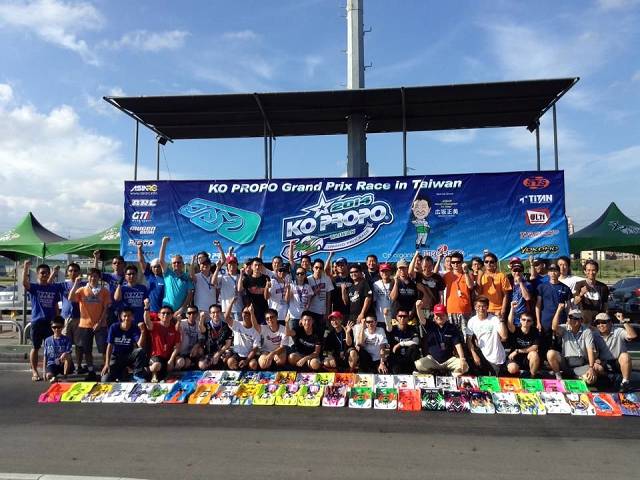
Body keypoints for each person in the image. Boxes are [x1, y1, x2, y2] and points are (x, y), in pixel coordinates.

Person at [23, 260, 63, 381]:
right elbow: (24, 283)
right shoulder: (34, 287)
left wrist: (58, 319)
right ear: (37, 274)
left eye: (46, 273)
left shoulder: (53, 288)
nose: (44, 275)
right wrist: (25, 267)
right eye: (42, 273)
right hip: (37, 322)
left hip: (50, 323)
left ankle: (49, 371)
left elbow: (55, 305)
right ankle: (34, 371)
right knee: (35, 347)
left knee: (51, 348)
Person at [69, 267, 111, 380]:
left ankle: (105, 369)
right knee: (87, 350)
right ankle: (91, 371)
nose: (93, 278)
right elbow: (71, 297)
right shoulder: (82, 290)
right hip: (85, 324)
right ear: (88, 277)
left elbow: (105, 308)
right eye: (91, 276)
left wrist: (99, 322)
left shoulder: (104, 291)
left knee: (103, 348)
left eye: (95, 276)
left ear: (99, 278)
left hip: (100, 325)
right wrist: (75, 284)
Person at [414, 303, 468, 377]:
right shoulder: (430, 325)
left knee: (465, 367)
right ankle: (433, 372)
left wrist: (462, 358)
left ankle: (449, 375)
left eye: (442, 315)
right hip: (433, 360)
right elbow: (422, 319)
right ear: (434, 316)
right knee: (419, 364)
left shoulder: (452, 328)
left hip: (448, 360)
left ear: (446, 315)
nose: (439, 317)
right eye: (437, 315)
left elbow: (457, 344)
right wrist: (418, 307)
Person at [547, 306, 597, 384]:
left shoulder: (587, 331)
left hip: (581, 364)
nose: (573, 320)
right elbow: (554, 327)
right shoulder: (564, 328)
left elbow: (590, 349)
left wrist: (591, 367)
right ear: (568, 319)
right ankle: (559, 376)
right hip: (566, 363)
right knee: (550, 353)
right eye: (571, 317)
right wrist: (558, 310)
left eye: (576, 318)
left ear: (581, 320)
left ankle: (576, 376)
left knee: (591, 380)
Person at [592, 312, 637, 392]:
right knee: (593, 365)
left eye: (603, 322)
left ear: (610, 323)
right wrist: (596, 359)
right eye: (598, 323)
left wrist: (623, 321)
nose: (600, 325)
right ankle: (610, 377)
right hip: (604, 363)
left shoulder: (618, 331)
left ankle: (625, 383)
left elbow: (632, 336)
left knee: (625, 356)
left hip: (618, 362)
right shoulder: (594, 335)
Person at [101, 307, 147, 382]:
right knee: (105, 379)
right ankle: (123, 374)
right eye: (125, 316)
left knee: (140, 351)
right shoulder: (114, 327)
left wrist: (142, 332)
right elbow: (109, 346)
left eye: (129, 316)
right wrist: (107, 364)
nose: (127, 318)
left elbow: (139, 346)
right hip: (116, 357)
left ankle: (137, 375)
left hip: (128, 356)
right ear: (121, 317)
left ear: (132, 317)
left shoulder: (134, 328)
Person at [535, 263, 572, 355]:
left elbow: (569, 306)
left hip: (560, 320)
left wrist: (569, 319)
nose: (553, 273)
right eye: (551, 271)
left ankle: (559, 360)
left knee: (560, 343)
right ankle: (543, 360)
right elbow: (538, 305)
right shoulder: (541, 287)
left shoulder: (565, 288)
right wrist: (538, 321)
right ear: (548, 273)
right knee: (544, 343)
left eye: (555, 271)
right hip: (545, 320)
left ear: (559, 273)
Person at [465, 296, 508, 376]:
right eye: (478, 306)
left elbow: (504, 336)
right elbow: (469, 340)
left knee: (495, 381)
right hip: (481, 355)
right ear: (475, 307)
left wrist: (501, 320)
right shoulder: (472, 321)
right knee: (482, 379)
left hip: (495, 357)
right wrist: (474, 355)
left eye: (484, 306)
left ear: (487, 307)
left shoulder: (494, 319)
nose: (481, 309)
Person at [55, 262, 84, 372]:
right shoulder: (63, 285)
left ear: (79, 272)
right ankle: (67, 366)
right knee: (65, 344)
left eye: (75, 271)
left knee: (79, 344)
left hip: (79, 318)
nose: (73, 273)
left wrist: (95, 259)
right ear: (67, 272)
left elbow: (94, 274)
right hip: (65, 318)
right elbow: (49, 284)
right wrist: (54, 272)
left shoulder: (83, 284)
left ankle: (79, 365)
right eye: (71, 271)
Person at [143, 301, 181, 382]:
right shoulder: (154, 325)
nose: (165, 315)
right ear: (159, 315)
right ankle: (146, 371)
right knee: (156, 366)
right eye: (163, 313)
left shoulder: (175, 328)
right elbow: (147, 321)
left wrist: (171, 360)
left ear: (172, 316)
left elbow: (177, 347)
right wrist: (146, 307)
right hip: (157, 356)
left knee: (181, 362)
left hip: (168, 357)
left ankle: (169, 375)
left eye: (168, 313)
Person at [158, 236, 194, 318]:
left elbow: (190, 294)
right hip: (166, 311)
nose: (176, 264)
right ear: (171, 264)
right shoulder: (168, 273)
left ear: (183, 264)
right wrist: (164, 243)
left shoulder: (187, 277)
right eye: (174, 263)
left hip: (181, 312)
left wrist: (182, 309)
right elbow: (161, 260)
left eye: (178, 262)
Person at [224, 301, 261, 370]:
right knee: (230, 361)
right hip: (237, 354)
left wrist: (246, 360)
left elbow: (255, 349)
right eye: (245, 312)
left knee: (253, 364)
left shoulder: (256, 329)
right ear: (241, 314)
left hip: (249, 356)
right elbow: (226, 317)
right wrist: (231, 303)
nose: (246, 315)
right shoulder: (237, 324)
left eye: (249, 313)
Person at [506, 303, 540, 377]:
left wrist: (518, 351)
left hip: (527, 357)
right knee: (512, 368)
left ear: (532, 322)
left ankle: (532, 377)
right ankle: (519, 374)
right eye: (523, 319)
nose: (526, 322)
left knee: (534, 354)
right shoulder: (516, 330)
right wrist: (512, 308)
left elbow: (534, 347)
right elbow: (509, 323)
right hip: (515, 357)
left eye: (528, 320)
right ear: (520, 320)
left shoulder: (535, 331)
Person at [442, 252, 474, 331]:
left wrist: (466, 272)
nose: (455, 264)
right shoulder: (446, 276)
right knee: (452, 336)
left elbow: (470, 286)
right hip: (450, 310)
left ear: (462, 262)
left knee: (466, 336)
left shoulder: (468, 274)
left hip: (465, 310)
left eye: (458, 262)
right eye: (453, 262)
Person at [93, 250, 125, 326]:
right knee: (110, 328)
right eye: (115, 263)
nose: (117, 264)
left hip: (124, 308)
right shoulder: (109, 276)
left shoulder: (128, 276)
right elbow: (95, 272)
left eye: (119, 263)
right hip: (111, 308)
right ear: (112, 265)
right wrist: (96, 258)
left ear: (123, 265)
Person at [476, 252, 512, 318]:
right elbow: (478, 293)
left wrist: (503, 310)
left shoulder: (501, 276)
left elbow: (506, 295)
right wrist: (479, 277)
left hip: (498, 310)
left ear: (495, 263)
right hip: (484, 310)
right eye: (486, 261)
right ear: (484, 263)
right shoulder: (481, 276)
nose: (488, 264)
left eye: (491, 262)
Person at [574, 260, 609, 325]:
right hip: (584, 322)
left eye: (593, 270)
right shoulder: (579, 284)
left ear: (597, 271)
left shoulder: (603, 287)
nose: (591, 272)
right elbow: (575, 302)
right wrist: (581, 294)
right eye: (588, 270)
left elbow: (605, 305)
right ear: (585, 271)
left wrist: (606, 319)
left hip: (598, 322)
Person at [113, 264, 148, 332]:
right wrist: (119, 284)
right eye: (129, 274)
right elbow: (116, 298)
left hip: (139, 321)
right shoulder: (122, 288)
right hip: (125, 322)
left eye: (133, 274)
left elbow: (146, 302)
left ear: (136, 275)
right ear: (125, 276)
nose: (131, 276)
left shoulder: (143, 288)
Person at [198, 304, 232, 370]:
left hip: (221, 352)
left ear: (221, 313)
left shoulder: (226, 326)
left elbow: (228, 344)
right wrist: (201, 318)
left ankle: (223, 368)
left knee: (227, 356)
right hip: (209, 353)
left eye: (218, 312)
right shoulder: (207, 325)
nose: (216, 314)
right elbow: (201, 329)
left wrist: (218, 354)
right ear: (210, 314)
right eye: (213, 312)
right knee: (201, 365)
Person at [386, 308, 420, 374]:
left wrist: (400, 344)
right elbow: (388, 325)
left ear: (408, 317)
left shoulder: (413, 328)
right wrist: (386, 316)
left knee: (414, 347)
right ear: (396, 317)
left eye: (405, 316)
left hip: (409, 359)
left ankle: (415, 370)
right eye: (400, 316)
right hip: (396, 359)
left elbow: (416, 342)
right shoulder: (392, 329)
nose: (402, 318)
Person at [412, 254, 445, 321]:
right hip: (421, 308)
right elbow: (410, 271)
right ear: (421, 265)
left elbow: (441, 294)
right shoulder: (418, 275)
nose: (427, 268)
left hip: (434, 309)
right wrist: (415, 257)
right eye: (425, 266)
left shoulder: (438, 277)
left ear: (432, 266)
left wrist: (441, 306)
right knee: (422, 327)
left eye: (430, 266)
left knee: (435, 327)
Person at [137, 242, 165, 320]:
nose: (156, 268)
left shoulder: (166, 278)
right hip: (150, 311)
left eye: (158, 266)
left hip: (163, 313)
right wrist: (139, 249)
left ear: (161, 267)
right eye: (154, 267)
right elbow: (141, 262)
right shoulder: (149, 276)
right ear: (151, 268)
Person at [239, 257, 270, 325]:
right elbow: (239, 289)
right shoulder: (247, 279)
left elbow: (267, 297)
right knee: (252, 330)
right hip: (251, 310)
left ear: (262, 266)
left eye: (259, 265)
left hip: (264, 310)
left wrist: (267, 287)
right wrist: (241, 275)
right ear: (252, 266)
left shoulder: (266, 278)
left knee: (263, 329)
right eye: (255, 265)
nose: (257, 267)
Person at [307, 258, 334, 332]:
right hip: (311, 311)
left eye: (320, 268)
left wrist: (327, 312)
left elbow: (328, 298)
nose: (318, 269)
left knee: (321, 333)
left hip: (322, 312)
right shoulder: (308, 280)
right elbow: (306, 298)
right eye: (316, 267)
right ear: (313, 268)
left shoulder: (327, 279)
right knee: (311, 332)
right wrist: (314, 293)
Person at [42, 316, 73, 382]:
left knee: (67, 356)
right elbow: (45, 356)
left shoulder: (67, 339)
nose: (56, 329)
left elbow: (69, 352)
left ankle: (65, 376)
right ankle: (54, 377)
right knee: (48, 375)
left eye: (59, 327)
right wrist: (44, 371)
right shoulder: (47, 340)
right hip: (52, 364)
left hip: (63, 363)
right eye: (54, 327)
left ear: (62, 327)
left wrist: (65, 354)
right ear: (51, 328)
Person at [175, 305, 204, 371]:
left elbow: (201, 338)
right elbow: (176, 330)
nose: (192, 315)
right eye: (189, 313)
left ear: (197, 314)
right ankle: (173, 374)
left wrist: (196, 346)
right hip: (181, 352)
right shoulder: (182, 322)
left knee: (200, 351)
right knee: (181, 362)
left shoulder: (199, 324)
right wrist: (178, 321)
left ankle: (197, 367)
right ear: (186, 314)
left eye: (194, 313)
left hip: (192, 351)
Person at [507, 257, 533, 326]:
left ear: (522, 272)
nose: (517, 273)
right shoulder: (508, 282)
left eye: (519, 271)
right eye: (515, 271)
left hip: (523, 317)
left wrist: (520, 282)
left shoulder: (527, 284)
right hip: (511, 314)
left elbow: (527, 298)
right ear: (511, 271)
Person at [286, 266, 313, 330]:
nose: (300, 275)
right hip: (293, 317)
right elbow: (287, 300)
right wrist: (288, 289)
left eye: (302, 273)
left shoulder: (308, 287)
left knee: (302, 336)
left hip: (304, 318)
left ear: (305, 275)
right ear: (295, 275)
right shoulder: (291, 285)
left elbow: (310, 300)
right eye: (298, 273)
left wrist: (307, 308)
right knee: (293, 335)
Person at [218, 253, 242, 323]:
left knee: (237, 329)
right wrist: (218, 267)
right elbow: (213, 282)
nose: (232, 265)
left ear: (237, 265)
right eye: (230, 264)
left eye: (234, 264)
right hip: (225, 308)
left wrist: (241, 275)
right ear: (227, 266)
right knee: (226, 329)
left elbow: (240, 289)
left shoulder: (241, 276)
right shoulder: (222, 276)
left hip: (238, 308)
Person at [372, 263, 394, 327]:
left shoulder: (394, 283)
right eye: (382, 271)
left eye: (386, 271)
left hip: (393, 318)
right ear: (379, 272)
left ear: (390, 272)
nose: (384, 273)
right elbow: (373, 300)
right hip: (379, 318)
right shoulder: (376, 284)